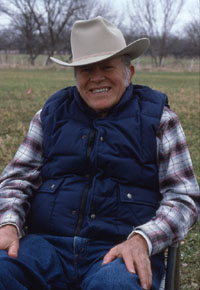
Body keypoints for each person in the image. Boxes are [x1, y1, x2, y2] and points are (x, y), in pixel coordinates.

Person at [0, 16, 199, 290]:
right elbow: (17, 180)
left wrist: (142, 239)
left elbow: (183, 197)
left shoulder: (161, 120)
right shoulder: (48, 116)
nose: (96, 77)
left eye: (107, 67)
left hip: (119, 251)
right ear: (76, 76)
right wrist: (8, 223)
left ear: (129, 71)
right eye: (85, 69)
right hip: (46, 246)